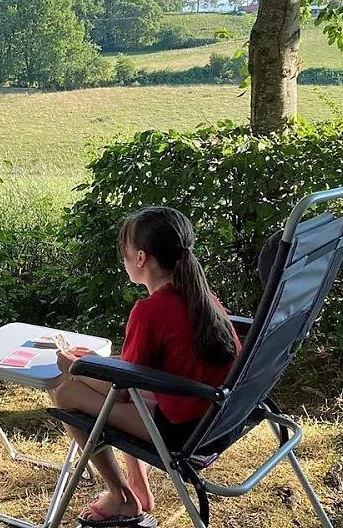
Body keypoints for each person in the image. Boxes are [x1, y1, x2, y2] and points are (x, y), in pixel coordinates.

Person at [51, 206, 241, 526]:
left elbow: (124, 393)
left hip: (188, 433)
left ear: (140, 258)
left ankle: (122, 498)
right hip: (221, 416)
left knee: (66, 391)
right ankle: (138, 486)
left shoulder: (150, 311)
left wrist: (77, 368)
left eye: (124, 252)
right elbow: (140, 369)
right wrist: (94, 363)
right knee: (99, 380)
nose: (123, 260)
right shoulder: (201, 296)